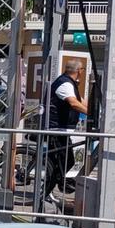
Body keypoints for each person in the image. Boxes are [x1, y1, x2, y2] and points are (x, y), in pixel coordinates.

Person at [45, 60, 87, 205]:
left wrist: (99, 112)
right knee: (65, 161)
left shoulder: (70, 84)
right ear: (79, 70)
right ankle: (46, 191)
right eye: (82, 69)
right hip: (57, 128)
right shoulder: (65, 84)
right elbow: (73, 103)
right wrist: (90, 114)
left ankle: (51, 188)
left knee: (63, 162)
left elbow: (81, 101)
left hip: (62, 129)